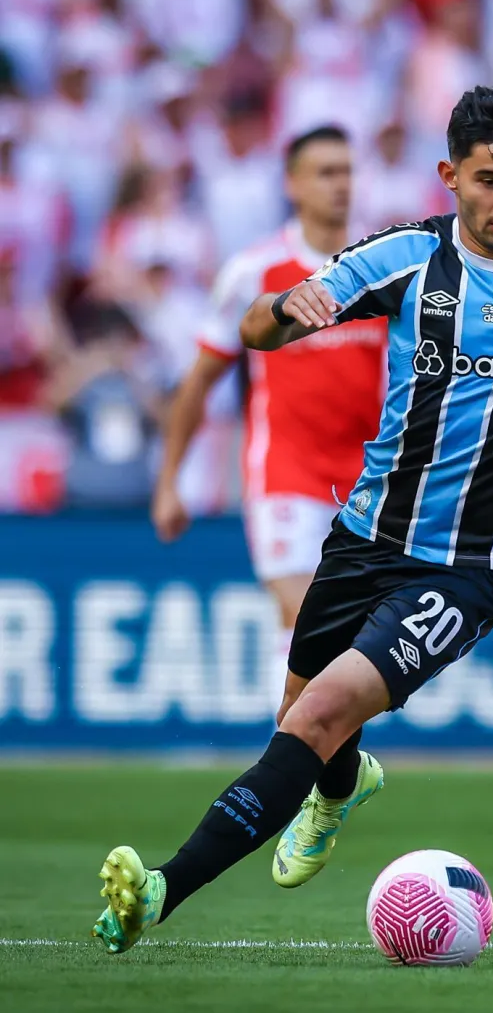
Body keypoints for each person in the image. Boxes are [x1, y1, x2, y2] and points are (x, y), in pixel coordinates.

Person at [91, 86, 493, 954]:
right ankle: (341, 787)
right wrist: (291, 312)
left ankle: (160, 891)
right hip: (363, 540)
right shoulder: (404, 258)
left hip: (471, 568)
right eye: (487, 181)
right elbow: (255, 324)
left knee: (316, 715)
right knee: (302, 723)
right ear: (449, 176)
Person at [152, 125, 384, 690]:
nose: (341, 185)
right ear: (293, 184)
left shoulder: (384, 266)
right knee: (304, 618)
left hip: (368, 477)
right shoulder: (254, 271)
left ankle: (318, 763)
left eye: (347, 171)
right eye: (326, 172)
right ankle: (295, 772)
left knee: (348, 637)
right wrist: (169, 482)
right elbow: (199, 381)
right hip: (286, 470)